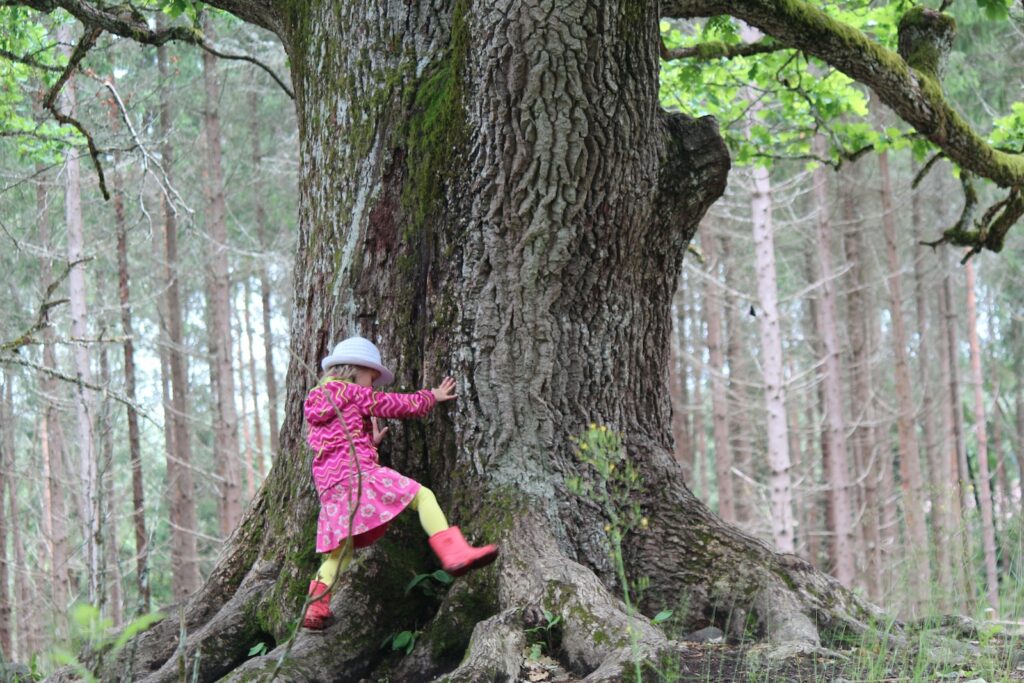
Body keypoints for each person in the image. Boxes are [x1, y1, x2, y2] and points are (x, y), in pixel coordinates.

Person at [301, 336, 498, 629]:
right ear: (356, 370)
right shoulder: (353, 391)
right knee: (423, 496)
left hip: (331, 488)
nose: (373, 383)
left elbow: (333, 442)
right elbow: (393, 404)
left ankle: (314, 609)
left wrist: (368, 440)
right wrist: (431, 396)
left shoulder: (317, 400)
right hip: (359, 475)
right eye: (371, 376)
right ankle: (454, 552)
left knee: (341, 551)